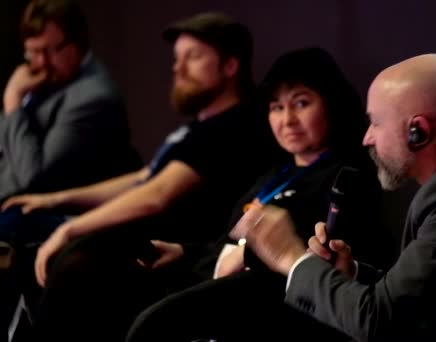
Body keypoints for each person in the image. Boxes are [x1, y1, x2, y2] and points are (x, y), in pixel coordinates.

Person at [3, 11, 278, 342]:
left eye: (193, 57)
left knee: (60, 250)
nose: (178, 68)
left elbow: (156, 194)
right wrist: (54, 199)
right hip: (146, 241)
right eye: (177, 58)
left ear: (230, 66)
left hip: (170, 252)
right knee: (23, 220)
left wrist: (69, 227)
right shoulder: (198, 126)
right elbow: (144, 177)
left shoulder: (232, 126)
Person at [231, 53, 436, 341]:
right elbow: (418, 299)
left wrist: (290, 257)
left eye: (376, 123)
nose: (367, 137)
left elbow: (380, 320)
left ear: (417, 131)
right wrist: (351, 273)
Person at [125, 47, 397, 342]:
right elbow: (232, 244)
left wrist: (255, 252)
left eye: (301, 103)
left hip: (276, 308)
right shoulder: (273, 174)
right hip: (222, 292)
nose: (287, 119)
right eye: (276, 107)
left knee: (155, 325)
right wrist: (184, 253)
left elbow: (318, 255)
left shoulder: (348, 176)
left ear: (331, 104)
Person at [0, 0, 141, 338]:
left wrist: (11, 102)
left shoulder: (92, 96)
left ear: (78, 43)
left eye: (50, 50)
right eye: (32, 52)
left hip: (69, 215)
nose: (40, 64)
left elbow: (31, 176)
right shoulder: (46, 85)